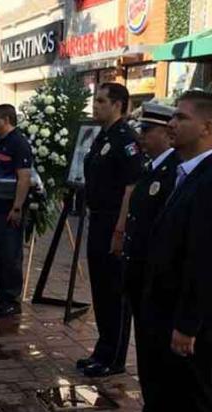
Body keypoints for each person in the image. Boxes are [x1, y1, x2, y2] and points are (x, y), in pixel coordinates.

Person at [139, 91, 212, 412]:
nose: (171, 124)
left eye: (181, 117)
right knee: (165, 399)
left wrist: (187, 324)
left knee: (196, 405)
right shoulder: (191, 173)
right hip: (166, 313)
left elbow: (207, 259)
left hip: (187, 324)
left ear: (206, 127)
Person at [77, 82, 144, 378]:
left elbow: (131, 187)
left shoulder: (126, 139)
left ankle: (114, 357)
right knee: (101, 289)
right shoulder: (103, 136)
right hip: (98, 218)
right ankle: (102, 349)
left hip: (114, 222)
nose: (95, 105)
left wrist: (120, 229)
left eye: (101, 101)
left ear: (118, 105)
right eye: (96, 100)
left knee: (115, 291)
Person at [121, 102, 180, 406]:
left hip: (153, 276)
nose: (141, 136)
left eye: (147, 130)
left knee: (156, 351)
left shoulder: (173, 173)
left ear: (169, 135)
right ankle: (151, 408)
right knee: (145, 347)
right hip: (139, 273)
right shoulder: (152, 166)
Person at [0, 104, 33, 318]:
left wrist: (17, 207)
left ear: (7, 120)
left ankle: (11, 299)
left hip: (7, 208)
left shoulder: (18, 143)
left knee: (9, 254)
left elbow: (24, 178)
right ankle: (0, 296)